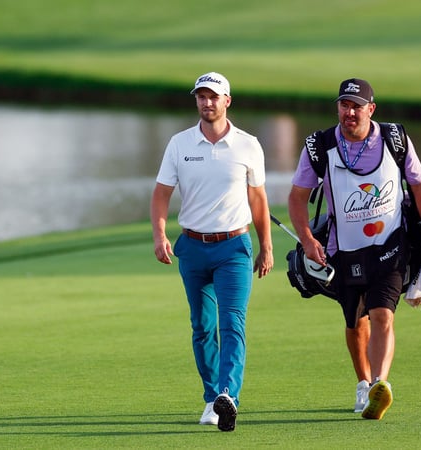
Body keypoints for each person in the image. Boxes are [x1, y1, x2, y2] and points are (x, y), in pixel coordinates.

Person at [287, 78, 421, 420]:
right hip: (342, 252)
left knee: (382, 315)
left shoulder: (395, 139)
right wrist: (308, 240)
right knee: (356, 321)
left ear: (371, 109)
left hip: (389, 248)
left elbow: (420, 187)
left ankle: (379, 385)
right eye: (344, 105)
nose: (349, 112)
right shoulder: (319, 145)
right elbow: (297, 198)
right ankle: (363, 382)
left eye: (357, 106)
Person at [150, 71, 274, 431]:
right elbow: (161, 194)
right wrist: (160, 235)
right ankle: (211, 398)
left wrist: (266, 246)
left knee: (231, 323)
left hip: (234, 247)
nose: (207, 102)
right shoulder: (180, 144)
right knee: (202, 327)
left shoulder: (249, 145)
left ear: (227, 101)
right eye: (201, 96)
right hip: (192, 247)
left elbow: (258, 198)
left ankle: (227, 396)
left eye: (213, 97)